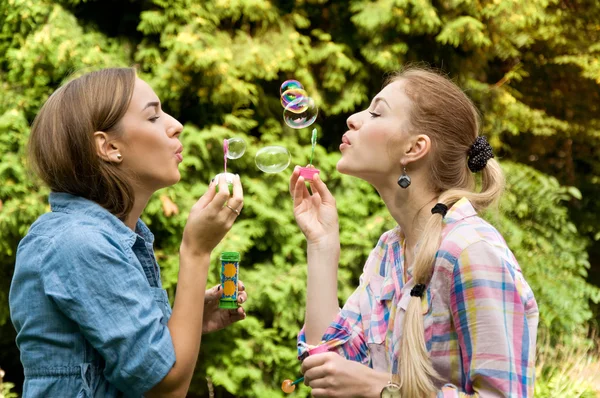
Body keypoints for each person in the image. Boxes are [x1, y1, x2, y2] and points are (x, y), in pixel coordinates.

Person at [289, 67, 538, 397]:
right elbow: (327, 368)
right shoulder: (389, 251)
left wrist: (384, 389)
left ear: (414, 148)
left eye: (376, 112)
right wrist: (322, 244)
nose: (353, 119)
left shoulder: (471, 250)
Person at [9, 67, 247, 397]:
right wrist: (196, 251)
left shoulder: (113, 238)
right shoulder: (80, 243)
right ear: (108, 147)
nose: (176, 125)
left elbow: (144, 361)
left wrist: (189, 318)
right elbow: (167, 387)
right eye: (153, 117)